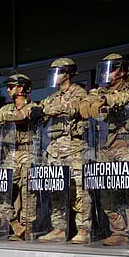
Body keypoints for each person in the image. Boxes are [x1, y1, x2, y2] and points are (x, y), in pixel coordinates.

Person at [81, 53, 129, 246]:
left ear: (123, 71)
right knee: (108, 193)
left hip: (128, 146)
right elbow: (87, 99)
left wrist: (105, 99)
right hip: (105, 149)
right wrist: (85, 104)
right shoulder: (98, 90)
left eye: (112, 69)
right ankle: (119, 232)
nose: (107, 74)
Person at [38, 57, 90, 243]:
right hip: (54, 149)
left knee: (79, 191)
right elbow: (38, 109)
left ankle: (84, 229)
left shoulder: (78, 92)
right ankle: (59, 229)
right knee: (57, 191)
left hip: (74, 148)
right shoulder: (51, 97)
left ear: (67, 73)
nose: (54, 76)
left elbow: (74, 108)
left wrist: (48, 110)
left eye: (57, 72)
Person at [0, 73, 39, 241]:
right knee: (3, 189)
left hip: (28, 152)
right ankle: (13, 224)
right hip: (9, 154)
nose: (8, 89)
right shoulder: (5, 109)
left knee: (29, 192)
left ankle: (27, 228)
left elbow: (21, 117)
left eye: (11, 87)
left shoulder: (33, 107)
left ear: (21, 88)